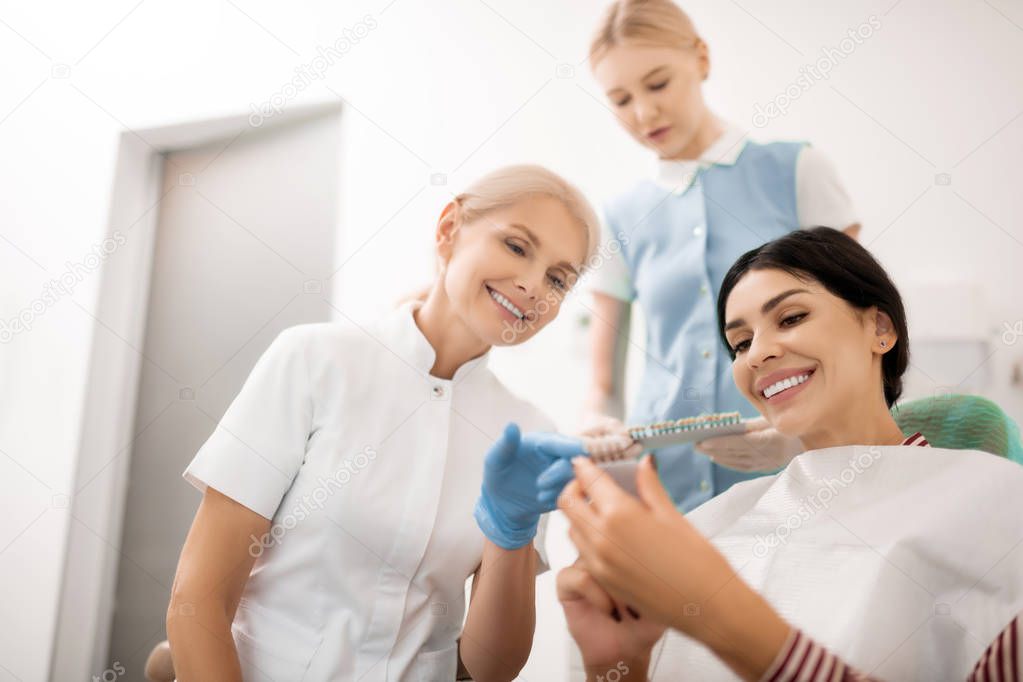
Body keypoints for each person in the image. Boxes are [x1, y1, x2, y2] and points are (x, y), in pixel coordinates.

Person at [165, 164, 602, 681]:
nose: (532, 284)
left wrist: (513, 533)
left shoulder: (529, 434)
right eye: (516, 246)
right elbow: (197, 603)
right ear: (449, 229)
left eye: (558, 278)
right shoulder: (314, 360)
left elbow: (490, 669)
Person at [552, 228, 1023, 680]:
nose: (756, 354)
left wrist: (722, 615)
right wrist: (617, 667)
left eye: (791, 318)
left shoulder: (995, 501)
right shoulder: (709, 526)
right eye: (740, 343)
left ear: (880, 328)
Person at [583, 0, 860, 510]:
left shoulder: (797, 171)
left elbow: (861, 336)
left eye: (658, 83)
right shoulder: (621, 217)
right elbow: (604, 384)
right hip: (662, 489)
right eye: (620, 99)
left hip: (794, 478)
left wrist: (798, 439)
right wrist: (599, 427)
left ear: (702, 59)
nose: (644, 113)